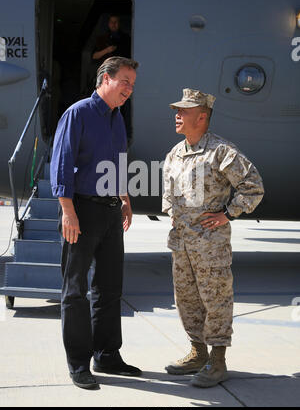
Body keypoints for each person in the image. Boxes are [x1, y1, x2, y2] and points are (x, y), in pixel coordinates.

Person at [162, 88, 264, 388]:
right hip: (181, 243)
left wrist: (228, 214)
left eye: (184, 111)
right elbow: (168, 187)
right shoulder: (176, 152)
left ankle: (217, 361)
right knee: (187, 299)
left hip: (210, 246)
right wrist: (171, 210)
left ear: (202, 116)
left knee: (216, 299)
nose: (177, 115)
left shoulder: (221, 151)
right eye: (176, 110)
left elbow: (253, 187)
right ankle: (197, 352)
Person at [50, 56, 141, 390]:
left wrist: (126, 200)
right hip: (82, 210)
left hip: (110, 211)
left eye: (132, 84)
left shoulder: (117, 118)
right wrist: (67, 210)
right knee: (75, 290)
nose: (129, 90)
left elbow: (118, 162)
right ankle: (78, 363)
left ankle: (107, 355)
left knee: (110, 286)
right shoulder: (78, 113)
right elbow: (62, 162)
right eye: (125, 82)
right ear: (105, 79)